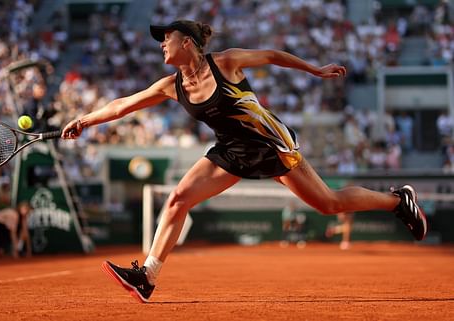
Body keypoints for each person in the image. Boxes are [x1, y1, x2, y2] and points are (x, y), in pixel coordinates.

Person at [61, 20, 427, 303]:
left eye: (167, 38)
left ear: (187, 42)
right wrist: (85, 120)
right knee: (177, 199)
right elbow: (123, 104)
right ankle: (148, 276)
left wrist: (315, 70)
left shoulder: (227, 62)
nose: (161, 44)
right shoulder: (170, 85)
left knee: (329, 204)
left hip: (271, 145)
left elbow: (271, 55)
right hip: (230, 151)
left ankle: (398, 200)